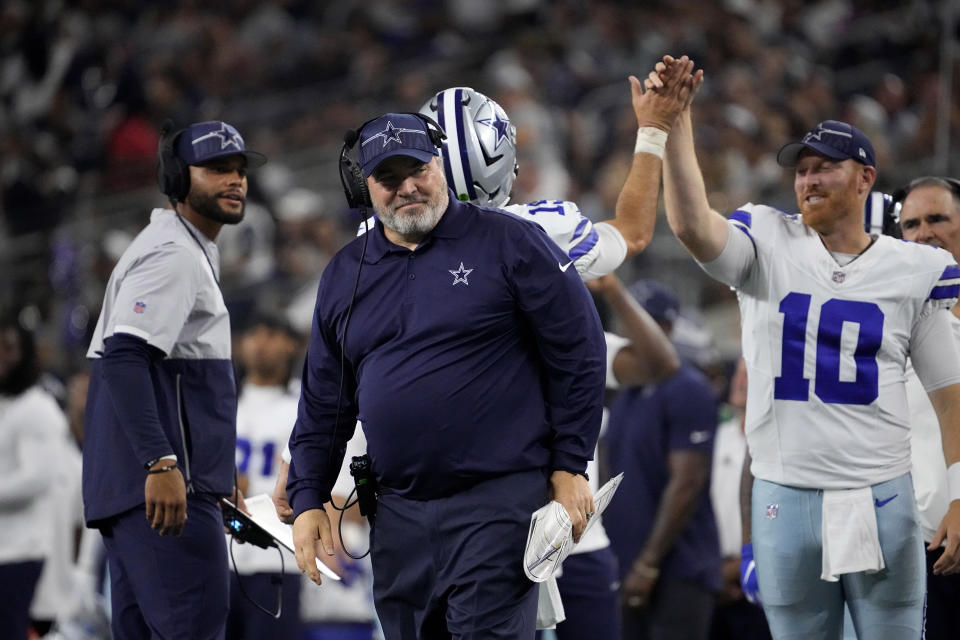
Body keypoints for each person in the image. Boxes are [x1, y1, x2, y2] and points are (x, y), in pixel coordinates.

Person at [648, 55, 960, 639]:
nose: (808, 181)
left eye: (824, 169)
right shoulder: (767, 242)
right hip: (785, 496)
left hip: (883, 497)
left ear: (865, 178)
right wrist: (674, 127)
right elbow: (692, 226)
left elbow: (950, 397)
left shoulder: (913, 269)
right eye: (802, 171)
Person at [287, 111, 606, 639]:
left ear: (440, 164)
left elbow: (580, 351)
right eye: (389, 178)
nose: (407, 187)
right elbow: (325, 401)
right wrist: (307, 496)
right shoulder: (345, 272)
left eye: (418, 168)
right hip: (396, 515)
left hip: (496, 501)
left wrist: (571, 464)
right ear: (363, 187)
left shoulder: (511, 242)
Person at [82, 119, 266, 639]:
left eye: (239, 170)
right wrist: (162, 462)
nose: (235, 180)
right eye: (216, 169)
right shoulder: (174, 255)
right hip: (164, 496)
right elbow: (123, 358)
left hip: (143, 493)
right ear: (177, 178)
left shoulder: (174, 247)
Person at [602, 280, 722, 640]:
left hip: (679, 568)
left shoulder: (689, 388)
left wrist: (648, 564)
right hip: (625, 562)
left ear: (667, 328)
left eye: (646, 321)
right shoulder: (627, 391)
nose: (633, 330)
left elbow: (687, 482)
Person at [897, 176, 960, 640]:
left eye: (938, 218)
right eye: (911, 224)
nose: (924, 233)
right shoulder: (894, 325)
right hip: (920, 547)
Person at [227, 313, 303, 639]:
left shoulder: (305, 404)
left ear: (291, 344)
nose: (260, 342)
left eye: (271, 333)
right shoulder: (222, 400)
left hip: (277, 559)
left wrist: (250, 485)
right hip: (222, 557)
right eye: (253, 333)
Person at [0, 315, 70, 640]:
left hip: (21, 551)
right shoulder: (6, 407)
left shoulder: (37, 407)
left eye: (9, 348)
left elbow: (36, 478)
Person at [708, 357, 772, 640]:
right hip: (712, 576)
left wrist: (738, 567)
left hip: (760, 578)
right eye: (739, 372)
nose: (741, 381)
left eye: (750, 374)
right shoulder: (717, 436)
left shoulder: (776, 444)